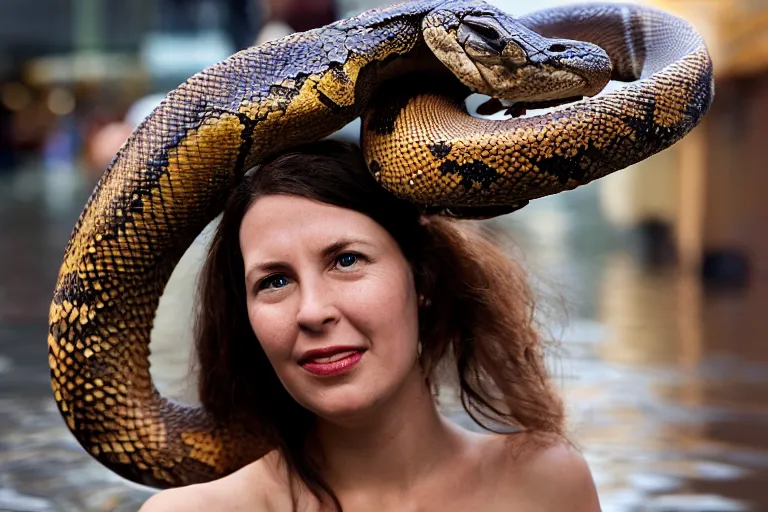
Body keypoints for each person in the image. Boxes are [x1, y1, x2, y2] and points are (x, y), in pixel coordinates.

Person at [140, 141, 600, 511]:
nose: (313, 311)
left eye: (346, 260)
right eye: (275, 281)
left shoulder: (544, 484)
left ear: (423, 278)